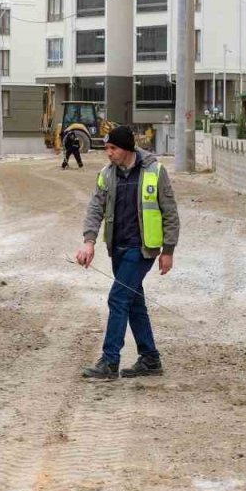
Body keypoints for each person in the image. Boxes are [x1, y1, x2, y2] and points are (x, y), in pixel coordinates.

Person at [74, 126, 180, 379]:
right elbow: (95, 208)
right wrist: (89, 242)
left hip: (141, 249)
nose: (108, 153)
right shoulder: (106, 174)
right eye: (107, 148)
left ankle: (110, 361)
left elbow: (170, 212)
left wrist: (168, 250)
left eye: (113, 148)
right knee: (134, 302)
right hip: (118, 249)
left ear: (127, 148)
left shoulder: (155, 171)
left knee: (118, 298)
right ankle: (150, 358)